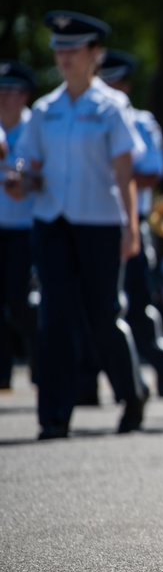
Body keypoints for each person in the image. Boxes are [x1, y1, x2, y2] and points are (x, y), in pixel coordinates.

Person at [6, 11, 149, 439]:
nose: (63, 57)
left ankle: (131, 394)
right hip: (53, 223)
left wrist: (131, 224)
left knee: (102, 317)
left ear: (94, 54)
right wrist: (19, 180)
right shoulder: (45, 111)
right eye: (58, 49)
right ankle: (54, 414)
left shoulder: (111, 108)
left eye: (72, 49)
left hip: (100, 223)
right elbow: (29, 168)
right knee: (55, 317)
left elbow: (125, 172)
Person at [77, 50, 163, 404]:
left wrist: (113, 172)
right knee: (91, 308)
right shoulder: (82, 116)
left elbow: (152, 174)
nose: (108, 87)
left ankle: (158, 357)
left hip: (133, 221)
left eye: (114, 81)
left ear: (125, 85)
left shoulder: (142, 122)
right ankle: (88, 384)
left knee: (136, 304)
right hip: (94, 221)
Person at [0, 60, 39, 391]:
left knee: (21, 300)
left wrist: (17, 174)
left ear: (24, 95)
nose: (3, 97)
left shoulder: (32, 127)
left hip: (25, 227)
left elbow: (26, 163)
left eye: (11, 91)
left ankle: (39, 362)